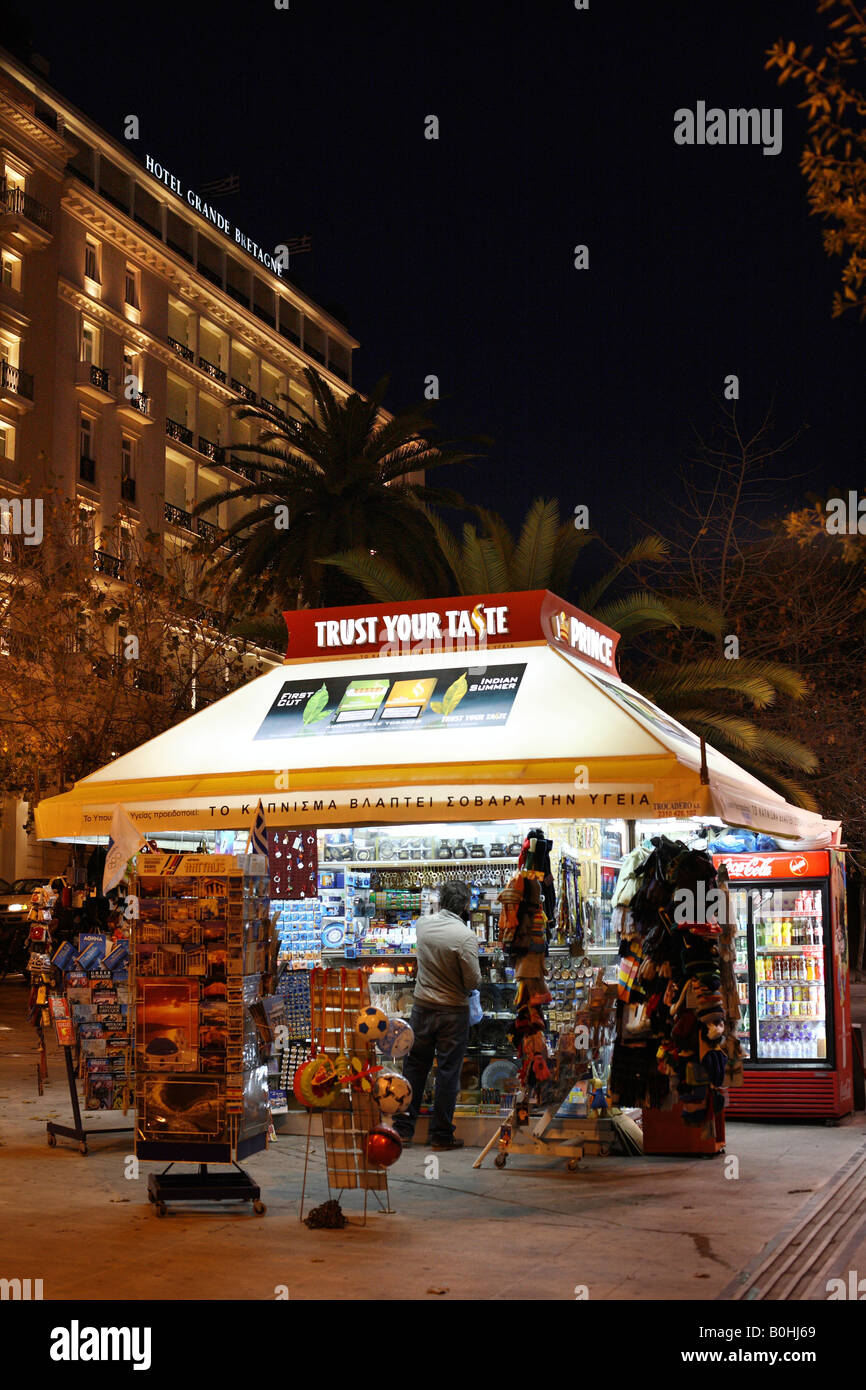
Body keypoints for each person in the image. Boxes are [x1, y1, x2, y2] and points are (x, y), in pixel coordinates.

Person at [393, 880, 481, 1151]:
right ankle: (441, 1136)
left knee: (414, 1068)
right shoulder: (465, 936)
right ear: (466, 906)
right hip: (452, 1012)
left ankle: (404, 1130)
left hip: (422, 1008)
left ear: (440, 902)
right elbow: (473, 980)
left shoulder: (422, 925)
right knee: (447, 1073)